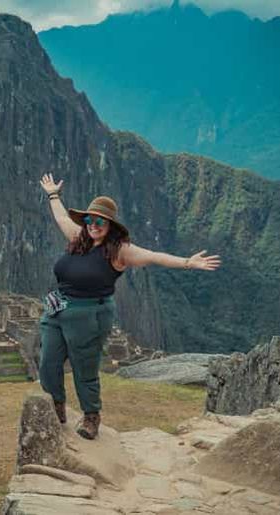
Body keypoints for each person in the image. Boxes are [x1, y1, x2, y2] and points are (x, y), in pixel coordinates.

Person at [38, 173, 221, 440]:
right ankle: (57, 406)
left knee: (84, 367)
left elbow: (154, 256)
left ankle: (91, 416)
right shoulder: (78, 237)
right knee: (48, 363)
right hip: (57, 309)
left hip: (89, 314)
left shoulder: (120, 251)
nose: (93, 225)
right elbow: (62, 218)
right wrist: (53, 194)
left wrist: (187, 262)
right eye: (90, 220)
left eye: (99, 222)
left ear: (110, 225)